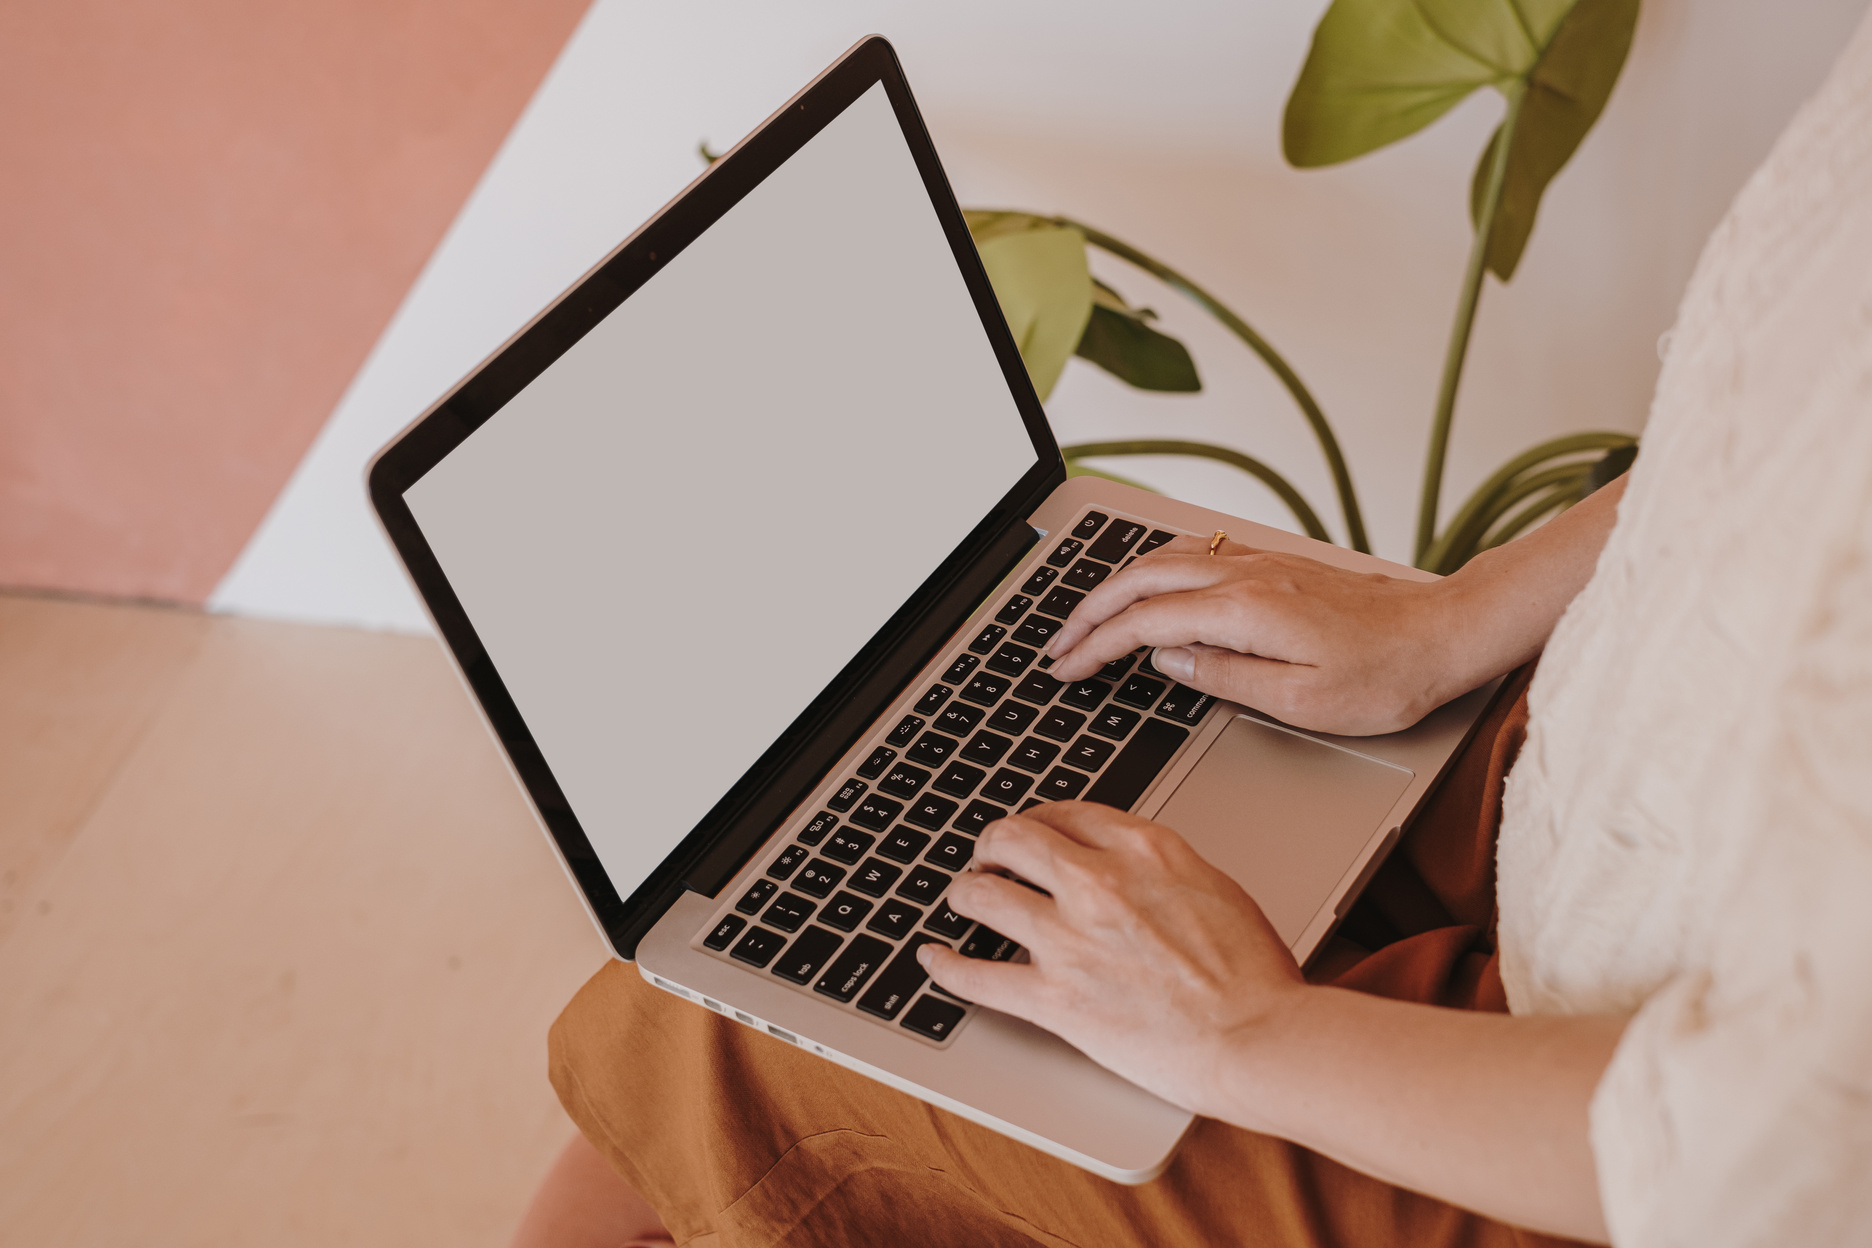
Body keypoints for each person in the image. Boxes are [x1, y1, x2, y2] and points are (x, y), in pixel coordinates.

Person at [514, 12, 1872, 1246]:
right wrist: (1451, 626)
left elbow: (1774, 1153)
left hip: (1648, 1144)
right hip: (1628, 762)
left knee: (718, 1022)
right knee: (773, 950)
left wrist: (1245, 1034)